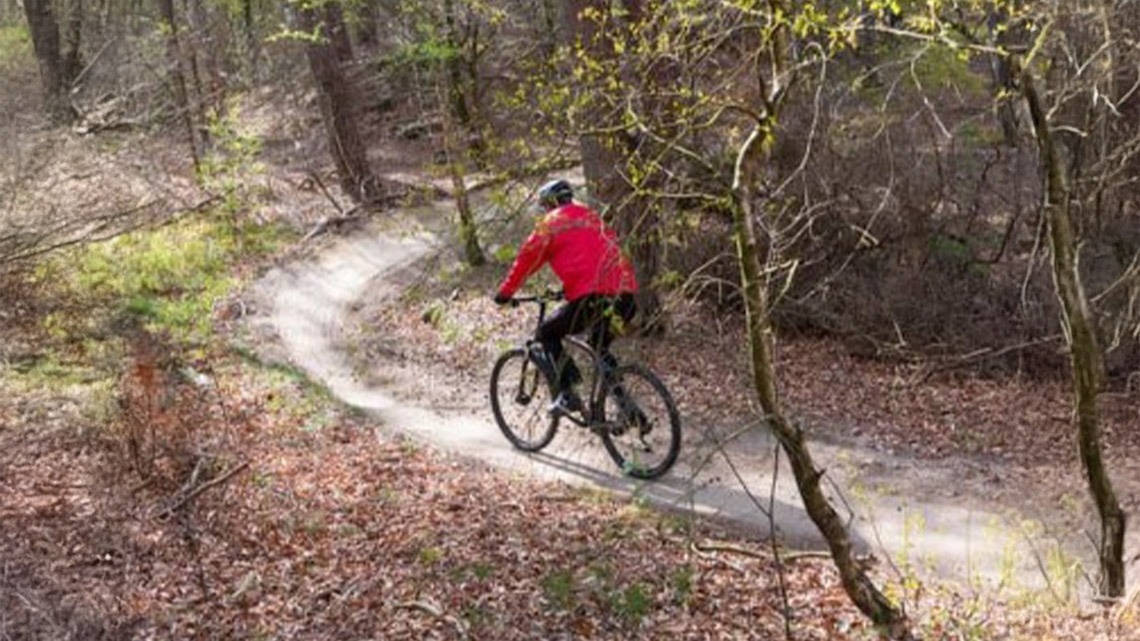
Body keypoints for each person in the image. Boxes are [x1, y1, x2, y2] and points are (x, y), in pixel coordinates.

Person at [493, 179, 638, 415]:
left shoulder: (551, 223)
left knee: (547, 333)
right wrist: (571, 288)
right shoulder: (592, 217)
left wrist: (505, 293)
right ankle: (630, 410)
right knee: (599, 346)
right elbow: (593, 256)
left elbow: (527, 260)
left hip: (592, 296)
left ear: (548, 204)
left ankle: (567, 394)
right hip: (626, 294)